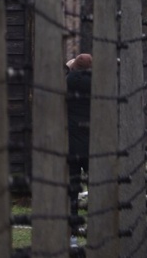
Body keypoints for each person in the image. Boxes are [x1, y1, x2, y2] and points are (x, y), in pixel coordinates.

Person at [65, 53, 93, 235]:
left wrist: (68, 67)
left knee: (73, 186)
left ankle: (73, 223)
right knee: (96, 184)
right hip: (91, 142)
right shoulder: (94, 84)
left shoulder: (66, 81)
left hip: (71, 141)